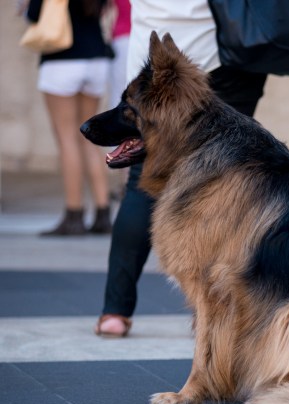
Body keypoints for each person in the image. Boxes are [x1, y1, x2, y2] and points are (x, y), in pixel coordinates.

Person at [94, 0, 268, 337]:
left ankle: (115, 311)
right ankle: (216, 307)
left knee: (139, 184)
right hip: (223, 54)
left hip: (153, 61)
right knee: (229, 178)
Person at [26, 0, 114, 236]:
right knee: (90, 139)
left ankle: (74, 215)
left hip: (62, 58)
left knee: (67, 138)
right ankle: (103, 213)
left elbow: (34, 14)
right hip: (96, 58)